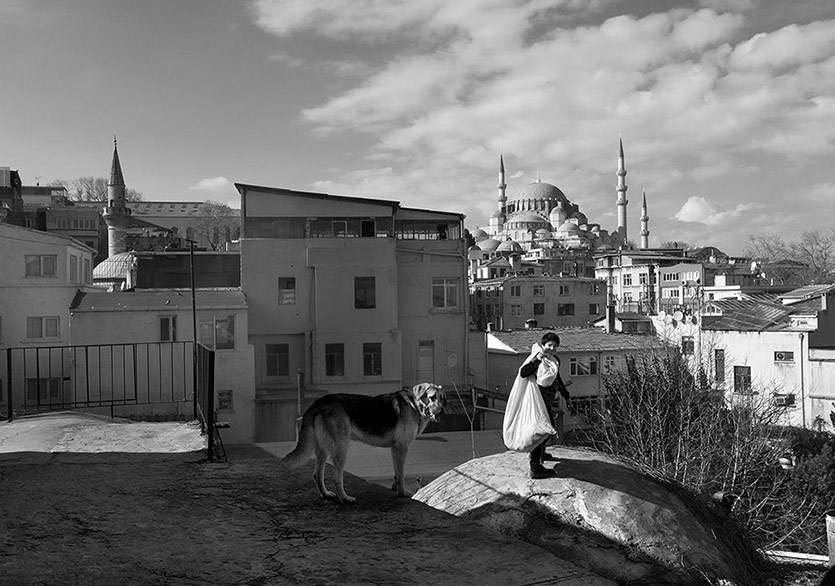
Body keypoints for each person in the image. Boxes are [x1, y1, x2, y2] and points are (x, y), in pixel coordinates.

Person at [518, 332, 571, 479]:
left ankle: (540, 454)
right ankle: (535, 467)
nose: (552, 348)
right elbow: (523, 372)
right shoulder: (537, 357)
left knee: (547, 429)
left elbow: (556, 378)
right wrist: (537, 361)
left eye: (555, 346)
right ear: (543, 345)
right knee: (542, 431)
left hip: (547, 401)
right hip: (537, 402)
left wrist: (565, 393)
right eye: (549, 345)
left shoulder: (555, 360)